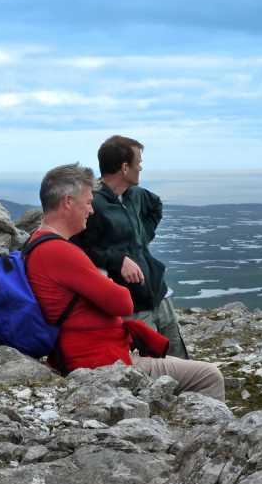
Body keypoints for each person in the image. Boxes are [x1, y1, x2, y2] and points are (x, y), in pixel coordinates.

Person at [26, 163, 224, 401]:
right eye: (88, 202)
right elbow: (122, 303)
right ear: (68, 201)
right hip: (100, 361)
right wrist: (104, 279)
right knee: (209, 376)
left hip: (88, 353)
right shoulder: (59, 251)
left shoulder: (37, 242)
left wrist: (101, 279)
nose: (91, 210)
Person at [71, 135, 188, 358]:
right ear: (125, 168)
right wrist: (118, 260)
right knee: (156, 370)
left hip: (159, 295)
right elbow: (80, 249)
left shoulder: (135, 195)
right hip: (132, 306)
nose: (141, 167)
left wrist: (140, 238)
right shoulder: (94, 204)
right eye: (138, 162)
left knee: (180, 360)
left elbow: (156, 207)